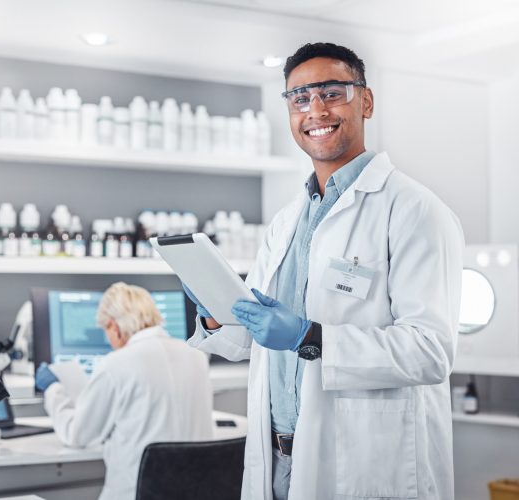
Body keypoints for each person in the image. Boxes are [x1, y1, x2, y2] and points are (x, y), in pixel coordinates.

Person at [184, 42, 464, 500]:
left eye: (332, 93)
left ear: (365, 102)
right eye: (299, 98)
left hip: (364, 463)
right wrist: (218, 312)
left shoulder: (415, 211)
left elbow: (430, 351)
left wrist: (310, 337)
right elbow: (253, 339)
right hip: (278, 461)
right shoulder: (287, 220)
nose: (315, 109)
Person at [35, 282, 213, 500]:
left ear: (114, 327)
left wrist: (53, 390)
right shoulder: (196, 356)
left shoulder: (116, 363)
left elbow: (77, 434)